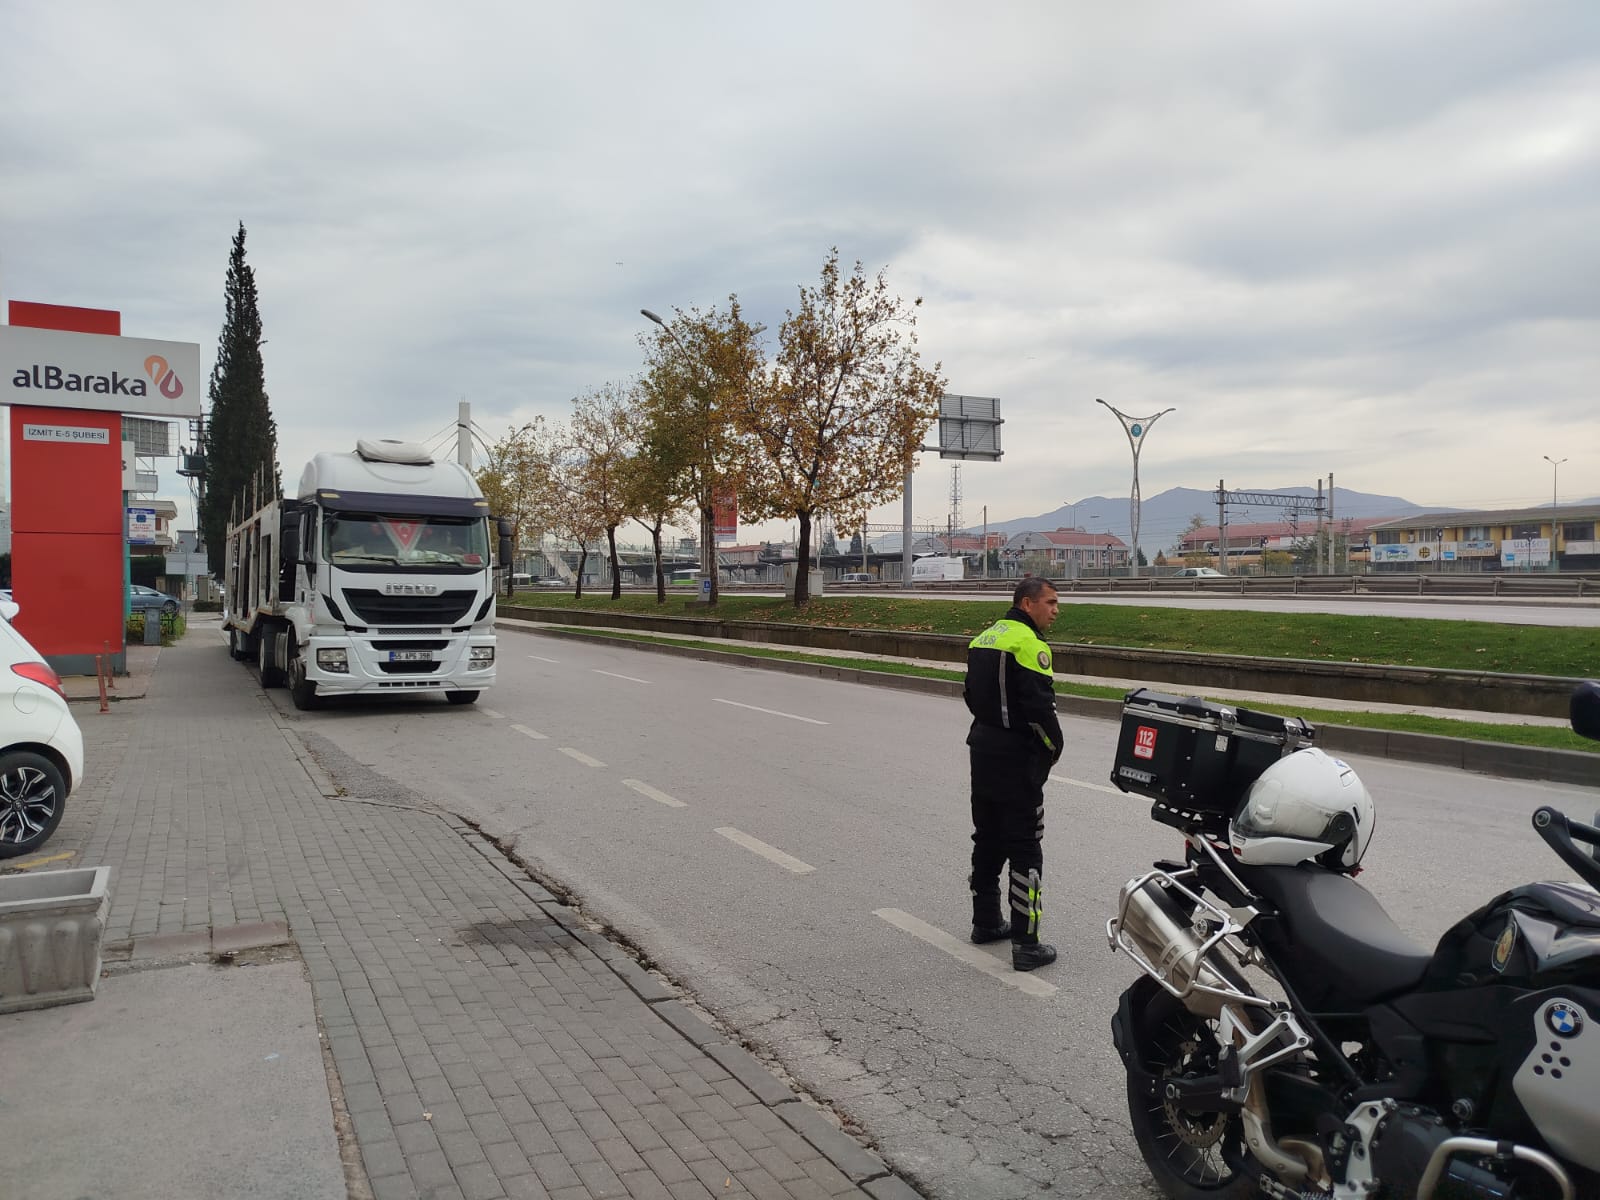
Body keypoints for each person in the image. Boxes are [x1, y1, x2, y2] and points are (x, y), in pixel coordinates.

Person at [963, 576, 1063, 971]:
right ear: (1027, 604)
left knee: (987, 837)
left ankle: (985, 922)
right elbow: (1040, 711)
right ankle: (1027, 943)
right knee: (1025, 847)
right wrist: (1053, 749)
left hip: (982, 749)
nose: (1056, 610)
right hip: (1017, 757)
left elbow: (970, 694)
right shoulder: (1030, 645)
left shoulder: (983, 638)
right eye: (1050, 602)